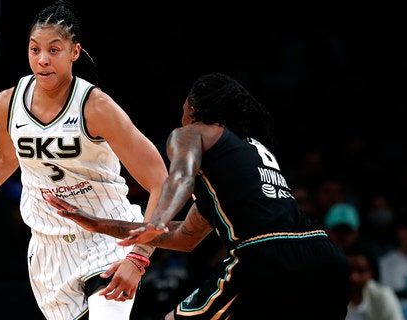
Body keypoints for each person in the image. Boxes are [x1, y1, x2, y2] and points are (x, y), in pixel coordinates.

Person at [44, 72, 350, 319]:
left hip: (267, 255)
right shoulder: (246, 155)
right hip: (325, 258)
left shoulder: (193, 133)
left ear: (193, 110)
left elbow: (180, 177)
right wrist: (98, 224)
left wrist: (159, 218)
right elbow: (185, 237)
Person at [0, 1, 167, 319]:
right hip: (49, 251)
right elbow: (4, 159)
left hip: (105, 238)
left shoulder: (96, 107)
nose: (43, 60)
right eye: (35, 50)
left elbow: (160, 181)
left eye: (54, 50)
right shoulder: (7, 104)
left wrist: (139, 258)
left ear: (75, 52)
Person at [344, 243, 404, 320]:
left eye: (361, 271)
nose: (354, 277)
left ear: (371, 273)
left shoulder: (383, 296)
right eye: (350, 270)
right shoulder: (332, 296)